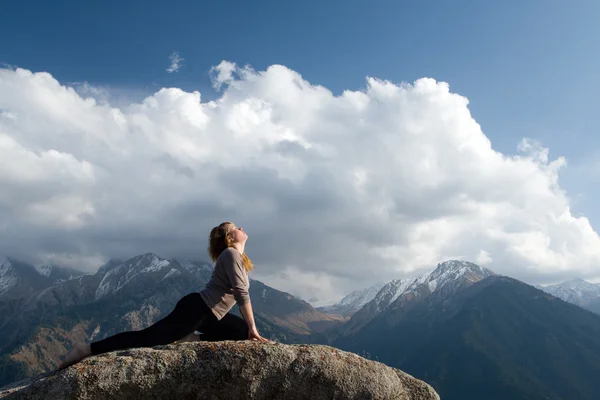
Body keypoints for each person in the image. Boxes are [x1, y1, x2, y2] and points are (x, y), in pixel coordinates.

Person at [58, 221, 270, 369]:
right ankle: (86, 349)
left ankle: (189, 337)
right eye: (236, 227)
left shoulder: (236, 257)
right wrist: (253, 327)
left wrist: (249, 329)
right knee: (147, 338)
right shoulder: (231, 254)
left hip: (211, 315)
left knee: (241, 333)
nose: (241, 228)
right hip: (198, 309)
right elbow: (242, 293)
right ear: (229, 237)